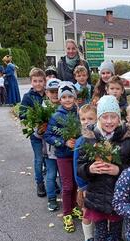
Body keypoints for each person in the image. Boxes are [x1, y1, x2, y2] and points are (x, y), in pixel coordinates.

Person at [77, 95, 130, 241]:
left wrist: (118, 170)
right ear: (99, 118)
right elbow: (79, 167)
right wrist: (90, 169)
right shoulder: (89, 139)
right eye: (105, 117)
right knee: (100, 236)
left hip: (119, 199)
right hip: (97, 197)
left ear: (119, 118)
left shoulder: (127, 141)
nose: (109, 121)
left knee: (117, 235)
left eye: (113, 117)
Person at [44, 82, 82, 232]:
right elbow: (48, 135)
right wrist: (63, 142)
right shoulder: (56, 115)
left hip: (76, 155)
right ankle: (66, 214)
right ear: (59, 99)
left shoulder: (78, 113)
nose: (67, 100)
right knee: (66, 186)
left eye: (70, 96)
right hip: (63, 156)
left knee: (74, 183)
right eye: (64, 97)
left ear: (75, 98)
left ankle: (73, 207)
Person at [73, 104, 97, 241]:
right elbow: (77, 167)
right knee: (87, 211)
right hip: (86, 184)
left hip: (101, 183)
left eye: (90, 118)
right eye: (83, 119)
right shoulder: (81, 141)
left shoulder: (100, 137)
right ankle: (88, 239)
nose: (86, 122)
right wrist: (82, 187)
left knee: (101, 210)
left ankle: (103, 235)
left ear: (97, 119)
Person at [19, 68, 47, 198]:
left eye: (40, 81)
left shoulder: (48, 95)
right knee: (39, 159)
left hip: (49, 133)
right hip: (36, 134)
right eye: (35, 81)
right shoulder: (28, 97)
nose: (38, 84)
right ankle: (40, 183)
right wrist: (33, 119)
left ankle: (51, 182)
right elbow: (22, 114)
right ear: (31, 82)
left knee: (49, 158)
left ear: (44, 81)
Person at [43, 78, 61, 212]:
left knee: (64, 174)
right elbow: (38, 133)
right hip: (49, 150)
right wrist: (38, 131)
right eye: (52, 92)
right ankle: (51, 198)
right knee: (51, 174)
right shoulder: (43, 109)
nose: (55, 94)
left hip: (64, 149)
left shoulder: (65, 106)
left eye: (57, 91)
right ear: (47, 93)